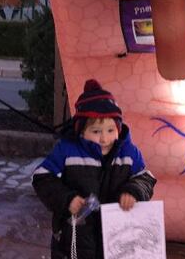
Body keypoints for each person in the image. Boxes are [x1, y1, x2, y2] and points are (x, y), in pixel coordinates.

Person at [32, 79, 157, 259]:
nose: (104, 139)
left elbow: (145, 178)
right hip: (74, 240)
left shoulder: (129, 153)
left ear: (118, 128)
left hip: (117, 240)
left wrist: (134, 191)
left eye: (110, 130)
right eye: (96, 131)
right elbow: (42, 177)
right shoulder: (67, 151)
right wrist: (67, 199)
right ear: (81, 131)